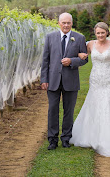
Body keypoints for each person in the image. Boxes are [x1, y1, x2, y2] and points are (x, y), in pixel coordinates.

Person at [69, 22, 110, 157]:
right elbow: (82, 56)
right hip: (95, 79)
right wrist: (79, 56)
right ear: (95, 34)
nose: (100, 35)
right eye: (98, 33)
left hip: (109, 79)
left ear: (107, 32)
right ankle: (92, 134)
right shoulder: (90, 44)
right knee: (94, 104)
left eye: (102, 32)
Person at [41, 12, 88, 150]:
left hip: (71, 80)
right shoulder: (50, 37)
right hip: (53, 80)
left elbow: (85, 59)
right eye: (63, 23)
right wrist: (44, 79)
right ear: (59, 23)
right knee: (52, 110)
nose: (66, 25)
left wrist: (72, 61)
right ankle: (52, 140)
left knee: (69, 110)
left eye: (68, 23)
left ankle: (66, 138)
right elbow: (45, 60)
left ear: (72, 23)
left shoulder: (79, 38)